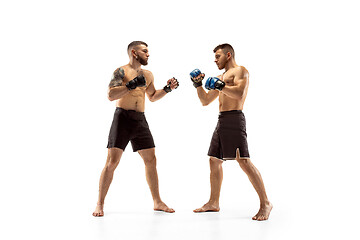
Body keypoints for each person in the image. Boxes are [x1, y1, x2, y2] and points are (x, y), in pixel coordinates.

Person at [93, 41, 178, 217]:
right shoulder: (121, 71)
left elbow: (153, 97)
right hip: (122, 118)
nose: (148, 54)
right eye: (145, 51)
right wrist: (130, 85)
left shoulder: (148, 74)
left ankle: (157, 202)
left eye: (148, 51)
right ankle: (99, 204)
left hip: (140, 119)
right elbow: (110, 95)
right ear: (134, 52)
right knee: (112, 162)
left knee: (151, 159)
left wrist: (168, 89)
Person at [190, 43, 272, 221]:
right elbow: (205, 101)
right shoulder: (220, 76)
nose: (215, 59)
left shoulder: (241, 71)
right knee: (214, 160)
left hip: (235, 119)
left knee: (243, 161)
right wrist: (197, 85)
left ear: (228, 55)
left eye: (218, 56)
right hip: (222, 120)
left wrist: (220, 86)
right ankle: (213, 202)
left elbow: (239, 94)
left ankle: (265, 203)